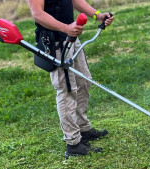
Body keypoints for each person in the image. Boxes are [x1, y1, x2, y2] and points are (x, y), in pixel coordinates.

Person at [27, 0, 114, 158]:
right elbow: (37, 14)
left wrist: (97, 15)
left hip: (71, 38)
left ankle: (83, 129)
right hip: (55, 42)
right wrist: (66, 28)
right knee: (66, 90)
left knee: (83, 81)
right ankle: (73, 143)